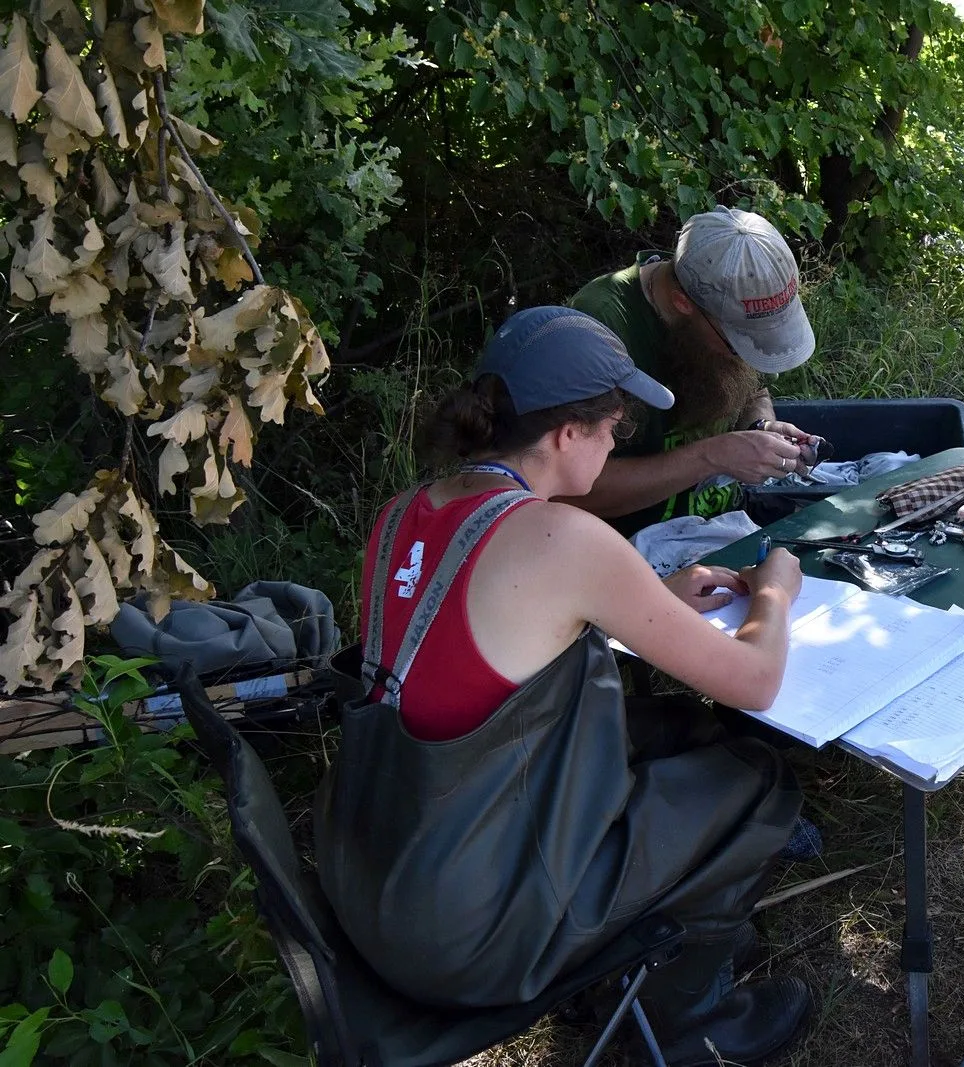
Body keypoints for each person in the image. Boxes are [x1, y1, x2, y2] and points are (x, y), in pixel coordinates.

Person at [314, 306, 813, 1066]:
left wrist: (651, 594)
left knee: (676, 727)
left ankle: (660, 943)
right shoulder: (564, 538)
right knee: (754, 779)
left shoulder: (404, 515)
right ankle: (690, 1023)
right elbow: (756, 680)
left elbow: (488, 637)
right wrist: (775, 589)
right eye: (613, 428)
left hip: (377, 878)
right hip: (474, 934)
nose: (616, 444)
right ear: (566, 435)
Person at [568, 205, 823, 535]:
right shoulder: (599, 327)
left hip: (727, 525)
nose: (743, 356)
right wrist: (711, 457)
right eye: (738, 344)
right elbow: (570, 490)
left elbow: (754, 390)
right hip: (631, 552)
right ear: (682, 303)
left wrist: (761, 426)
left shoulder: (726, 295)